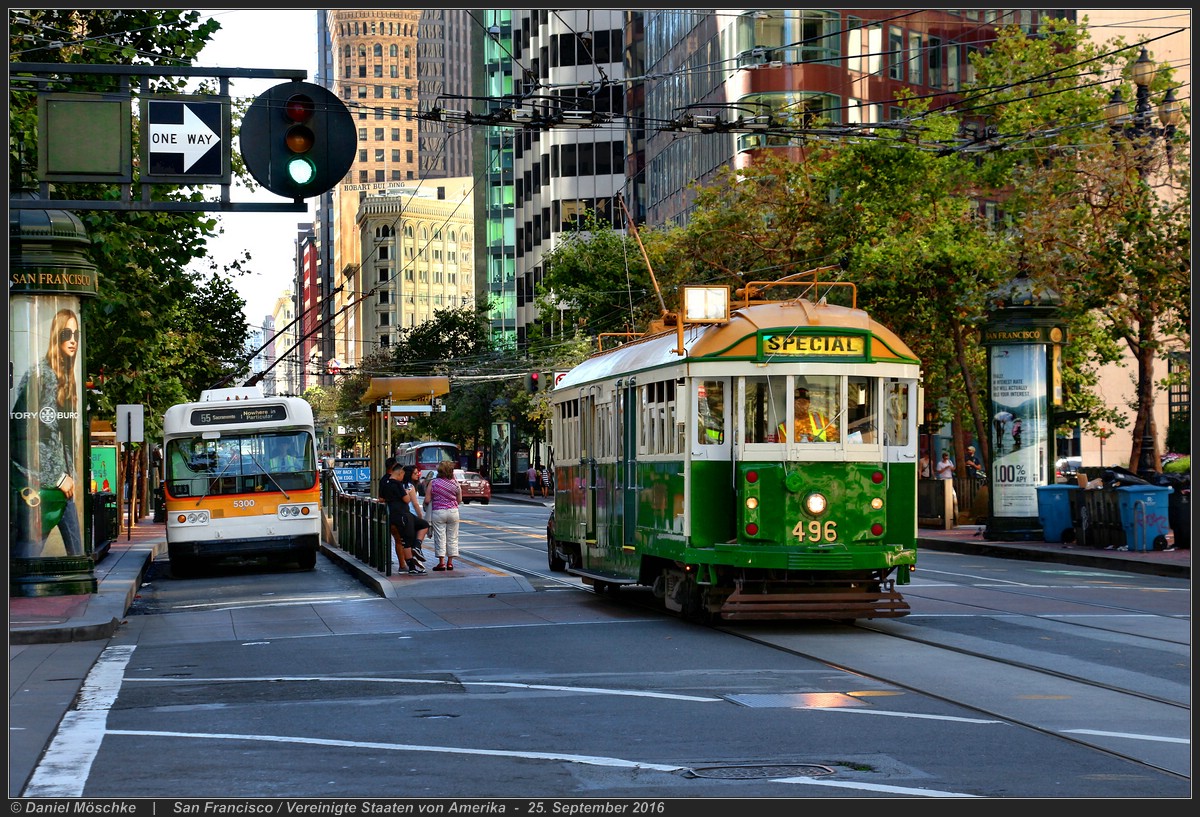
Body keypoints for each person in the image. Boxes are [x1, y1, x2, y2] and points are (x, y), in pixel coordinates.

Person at [11, 308, 84, 558]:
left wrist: (68, 474)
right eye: (66, 333)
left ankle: (78, 574)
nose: (73, 339)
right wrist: (57, 476)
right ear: (56, 337)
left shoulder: (64, 376)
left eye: (76, 333)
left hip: (63, 483)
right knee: (31, 546)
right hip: (47, 482)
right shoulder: (43, 375)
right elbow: (22, 430)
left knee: (75, 549)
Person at [381, 462, 424, 574]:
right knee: (406, 541)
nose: (403, 477)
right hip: (402, 515)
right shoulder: (398, 484)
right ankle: (411, 566)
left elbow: (381, 498)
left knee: (402, 540)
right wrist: (407, 493)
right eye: (402, 475)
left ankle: (407, 564)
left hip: (393, 515)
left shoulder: (385, 482)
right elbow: (406, 500)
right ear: (399, 473)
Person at [425, 459, 462, 571]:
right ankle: (450, 563)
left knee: (440, 537)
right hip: (453, 512)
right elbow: (459, 500)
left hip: (438, 512)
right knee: (452, 537)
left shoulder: (433, 483)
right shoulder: (455, 483)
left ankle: (441, 563)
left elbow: (427, 500)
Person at [400, 464, 429, 562]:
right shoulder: (410, 486)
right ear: (409, 474)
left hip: (403, 515)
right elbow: (416, 504)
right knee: (422, 529)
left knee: (406, 540)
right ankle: (415, 559)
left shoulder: (400, 485)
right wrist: (420, 516)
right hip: (412, 515)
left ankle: (411, 561)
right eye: (415, 473)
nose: (418, 475)